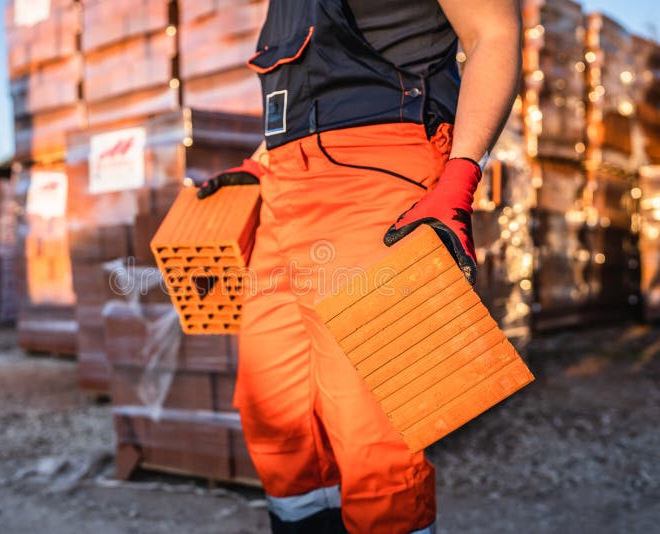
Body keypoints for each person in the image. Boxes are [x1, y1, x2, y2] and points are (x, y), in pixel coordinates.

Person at [198, 1, 522, 532]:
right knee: (277, 422)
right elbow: (306, 84)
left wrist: (459, 180)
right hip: (284, 188)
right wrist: (259, 162)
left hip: (379, 174)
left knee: (374, 436)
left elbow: (495, 32)